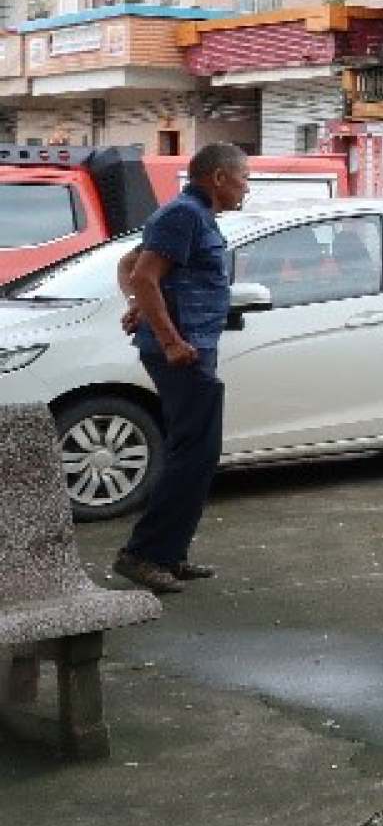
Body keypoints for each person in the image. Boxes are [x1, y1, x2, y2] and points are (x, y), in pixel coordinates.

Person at [111, 142, 250, 595]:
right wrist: (168, 338)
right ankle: (145, 555)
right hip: (182, 352)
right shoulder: (183, 215)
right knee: (195, 453)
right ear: (219, 178)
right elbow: (145, 274)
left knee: (193, 453)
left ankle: (169, 554)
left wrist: (139, 306)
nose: (247, 187)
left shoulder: (194, 217)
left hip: (193, 346)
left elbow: (132, 265)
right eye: (243, 178)